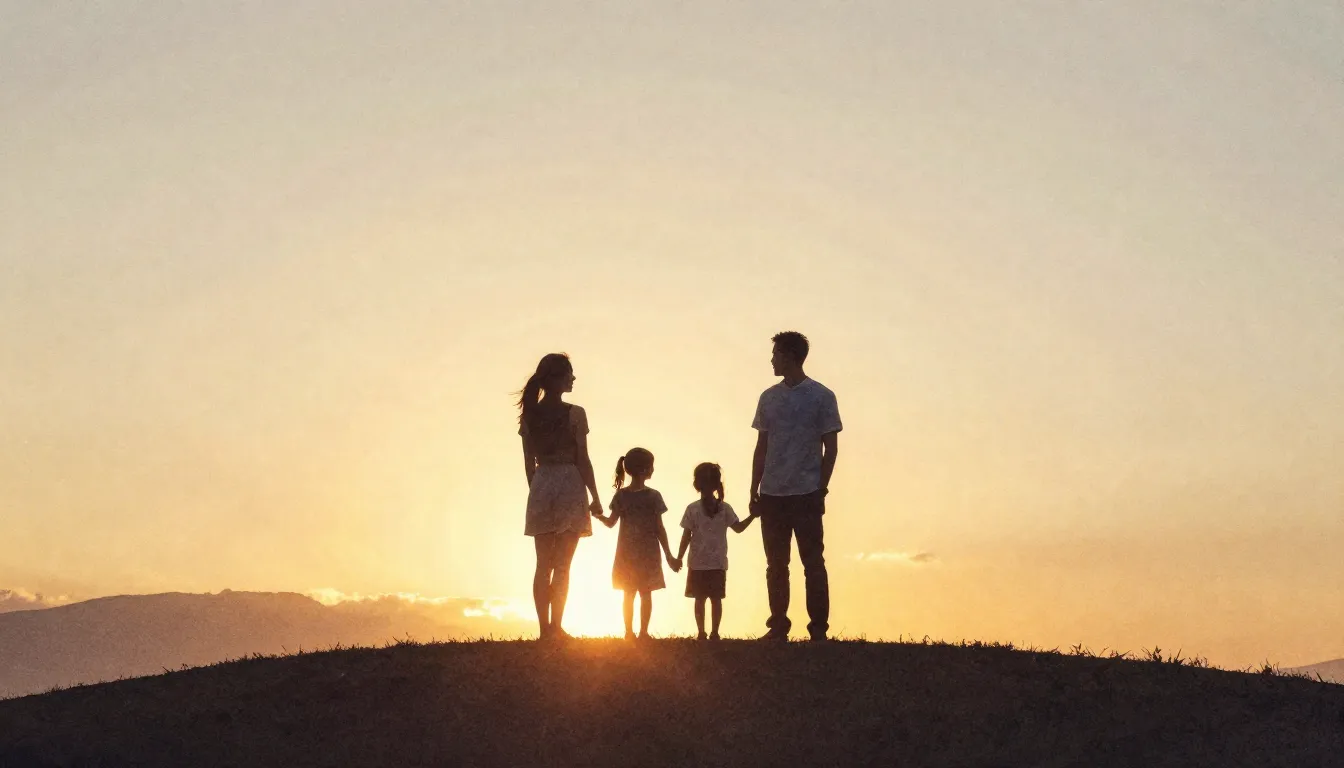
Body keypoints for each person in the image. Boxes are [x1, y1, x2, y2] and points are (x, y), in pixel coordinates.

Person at [750, 331, 842, 641]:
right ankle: (778, 626)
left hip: (806, 493)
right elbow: (761, 446)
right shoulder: (768, 397)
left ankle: (818, 630)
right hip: (772, 494)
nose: (772, 360)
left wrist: (821, 488)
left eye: (776, 354)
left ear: (790, 356)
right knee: (776, 564)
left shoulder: (822, 396)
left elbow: (831, 448)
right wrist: (754, 488)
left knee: (812, 562)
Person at [518, 353, 603, 640]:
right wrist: (595, 496)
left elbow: (528, 465)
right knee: (563, 564)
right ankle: (555, 627)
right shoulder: (575, 414)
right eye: (569, 373)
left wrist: (538, 490)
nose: (573, 378)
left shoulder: (530, 416)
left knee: (543, 563)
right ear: (556, 378)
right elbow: (583, 459)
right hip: (569, 483)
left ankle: (545, 629)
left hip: (542, 484)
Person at [594, 448, 679, 639]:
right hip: (647, 552)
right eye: (651, 466)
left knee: (629, 593)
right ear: (644, 469)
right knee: (645, 593)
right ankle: (642, 632)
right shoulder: (654, 496)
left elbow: (610, 522)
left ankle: (629, 633)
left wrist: (599, 516)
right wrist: (668, 555)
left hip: (627, 553)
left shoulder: (622, 495)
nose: (653, 469)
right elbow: (659, 528)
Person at [674, 462, 757, 640]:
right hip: (710, 563)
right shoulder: (718, 508)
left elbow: (686, 536)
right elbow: (739, 528)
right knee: (713, 599)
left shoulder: (697, 508)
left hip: (704, 563)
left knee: (703, 599)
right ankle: (710, 633)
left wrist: (679, 558)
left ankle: (706, 632)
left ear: (697, 484)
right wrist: (753, 516)